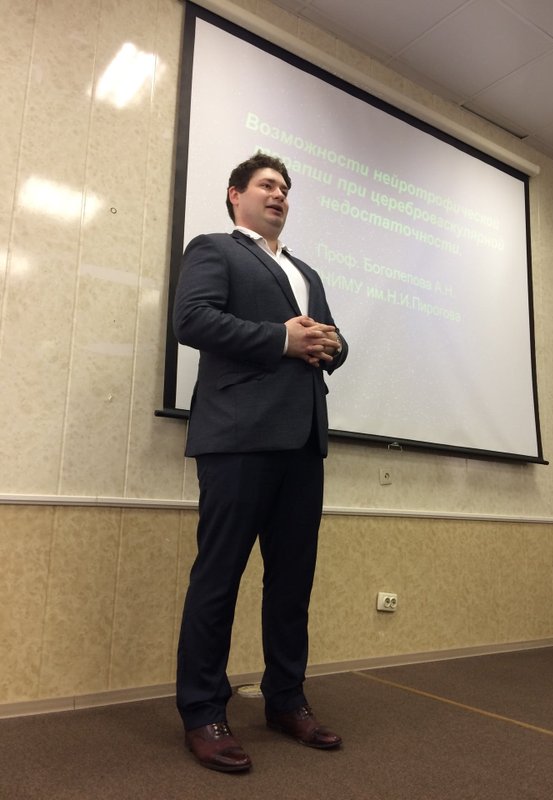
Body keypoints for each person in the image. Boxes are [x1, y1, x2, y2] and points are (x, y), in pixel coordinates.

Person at [173, 153, 348, 773]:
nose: (279, 195)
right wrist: (282, 338)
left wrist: (331, 345)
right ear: (235, 195)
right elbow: (192, 319)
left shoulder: (305, 271)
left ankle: (286, 700)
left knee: (293, 582)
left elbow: (331, 341)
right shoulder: (215, 249)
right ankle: (202, 711)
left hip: (303, 441)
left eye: (285, 189)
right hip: (238, 437)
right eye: (267, 185)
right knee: (218, 578)